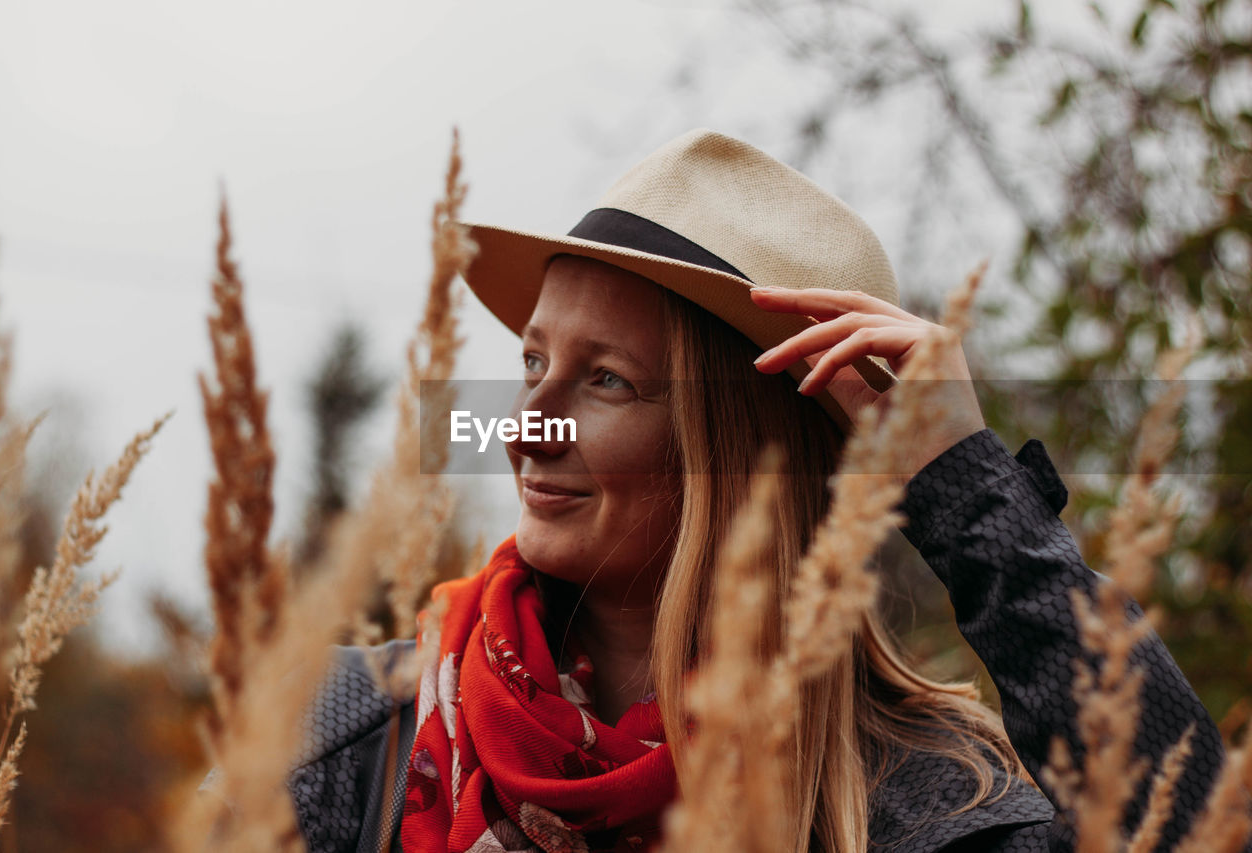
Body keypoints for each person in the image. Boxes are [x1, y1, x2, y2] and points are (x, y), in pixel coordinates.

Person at [286, 130, 1228, 852]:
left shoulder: (930, 804)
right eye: (532, 362)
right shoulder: (348, 735)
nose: (527, 422)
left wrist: (969, 487)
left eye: (605, 378)